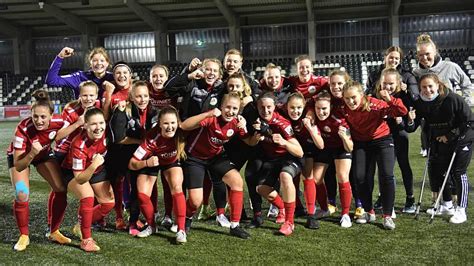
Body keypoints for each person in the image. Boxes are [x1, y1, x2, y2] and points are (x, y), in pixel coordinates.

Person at [180, 92, 251, 239]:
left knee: (237, 181)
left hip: (215, 158)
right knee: (195, 200)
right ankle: (186, 219)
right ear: (221, 106)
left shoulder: (237, 122)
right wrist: (207, 114)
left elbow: (249, 141)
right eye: (228, 107)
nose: (230, 111)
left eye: (234, 108)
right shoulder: (212, 118)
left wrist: (247, 128)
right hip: (195, 158)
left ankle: (235, 226)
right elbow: (184, 125)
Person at [7, 90, 71, 251]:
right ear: (31, 114)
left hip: (43, 154)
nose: (39, 121)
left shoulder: (59, 120)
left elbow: (63, 131)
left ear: (51, 115)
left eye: (43, 117)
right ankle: (24, 235)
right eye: (35, 116)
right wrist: (33, 153)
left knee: (61, 188)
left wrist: (78, 124)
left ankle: (54, 231)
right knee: (21, 193)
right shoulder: (22, 130)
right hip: (22, 158)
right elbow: (19, 164)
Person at [407, 73, 473, 224]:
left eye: (430, 86)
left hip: (464, 137)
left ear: (438, 85)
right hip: (441, 140)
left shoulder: (453, 99)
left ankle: (461, 210)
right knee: (442, 171)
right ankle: (447, 205)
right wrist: (410, 120)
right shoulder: (420, 103)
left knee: (458, 171)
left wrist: (450, 135)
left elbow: (469, 121)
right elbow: (412, 127)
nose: (427, 90)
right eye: (424, 87)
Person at [342, 80, 407, 230]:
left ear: (362, 95)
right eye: (347, 98)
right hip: (361, 144)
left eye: (353, 97)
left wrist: (390, 99)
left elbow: (401, 112)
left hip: (382, 141)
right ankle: (369, 211)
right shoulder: (343, 108)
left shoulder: (375, 104)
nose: (350, 101)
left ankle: (387, 216)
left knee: (386, 175)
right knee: (359, 177)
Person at [247, 92, 304, 236]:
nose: (265, 110)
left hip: (289, 157)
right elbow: (252, 142)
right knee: (261, 188)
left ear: (274, 107)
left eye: (269, 107)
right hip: (272, 160)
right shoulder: (256, 121)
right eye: (262, 107)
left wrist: (284, 142)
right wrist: (255, 137)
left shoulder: (282, 123)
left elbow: (299, 151)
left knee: (285, 176)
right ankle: (283, 208)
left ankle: (289, 222)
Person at [128, 107, 188, 243]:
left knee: (177, 188)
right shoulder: (151, 139)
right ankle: (151, 225)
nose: (170, 127)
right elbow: (132, 163)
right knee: (142, 195)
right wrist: (147, 163)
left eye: (173, 123)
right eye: (166, 123)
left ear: (178, 123)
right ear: (159, 124)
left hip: (171, 162)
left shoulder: (182, 132)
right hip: (151, 162)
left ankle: (181, 230)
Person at [108, 80, 158, 235]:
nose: (142, 99)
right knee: (114, 187)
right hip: (120, 155)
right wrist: (140, 141)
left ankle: (133, 222)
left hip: (141, 156)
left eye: (145, 96)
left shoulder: (154, 112)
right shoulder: (123, 110)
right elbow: (119, 138)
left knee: (136, 190)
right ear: (131, 97)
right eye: (138, 96)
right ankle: (115, 218)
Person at [61, 108, 114, 252]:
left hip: (96, 169)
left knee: (108, 203)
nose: (99, 127)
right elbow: (79, 178)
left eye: (101, 123)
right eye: (93, 124)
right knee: (88, 197)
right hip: (73, 173)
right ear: (85, 125)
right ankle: (86, 240)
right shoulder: (79, 144)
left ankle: (81, 224)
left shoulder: (107, 133)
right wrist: (94, 164)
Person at [374, 68, 418, 213]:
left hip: (399, 135)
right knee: (385, 170)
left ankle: (410, 198)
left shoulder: (404, 96)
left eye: (391, 83)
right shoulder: (376, 95)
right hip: (383, 138)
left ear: (398, 83)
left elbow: (409, 120)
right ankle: (383, 197)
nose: (388, 87)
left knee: (404, 166)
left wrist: (401, 121)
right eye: (385, 83)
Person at [313, 90, 354, 228]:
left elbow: (350, 147)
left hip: (341, 148)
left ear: (330, 108)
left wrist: (343, 137)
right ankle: (325, 209)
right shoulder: (313, 117)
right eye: (318, 108)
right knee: (316, 178)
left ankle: (345, 214)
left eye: (324, 109)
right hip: (325, 148)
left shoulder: (339, 121)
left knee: (342, 176)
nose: (321, 112)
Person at [285, 92, 324, 229]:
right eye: (292, 108)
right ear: (287, 107)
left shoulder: (308, 119)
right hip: (289, 152)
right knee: (291, 179)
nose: (295, 111)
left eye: (299, 108)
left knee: (308, 177)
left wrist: (310, 126)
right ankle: (298, 207)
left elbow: (320, 144)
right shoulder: (282, 115)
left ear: (304, 108)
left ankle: (311, 214)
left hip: (307, 151)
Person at [412, 34, 473, 105]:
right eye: (420, 55)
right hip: (428, 114)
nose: (424, 58)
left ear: (434, 52)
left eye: (427, 54)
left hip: (450, 113)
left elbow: (467, 85)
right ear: (417, 55)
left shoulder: (451, 67)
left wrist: (464, 104)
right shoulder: (415, 73)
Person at [45, 47, 114, 99]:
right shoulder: (79, 77)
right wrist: (60, 57)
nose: (99, 63)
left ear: (107, 63)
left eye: (102, 60)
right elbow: (51, 81)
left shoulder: (113, 78)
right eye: (95, 60)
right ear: (90, 63)